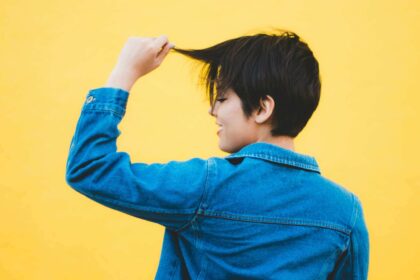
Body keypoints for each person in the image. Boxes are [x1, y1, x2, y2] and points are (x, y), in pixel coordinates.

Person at [65, 30, 369, 279]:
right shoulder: (345, 212)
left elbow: (90, 167)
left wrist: (125, 73)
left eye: (222, 97)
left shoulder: (206, 186)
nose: (213, 109)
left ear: (263, 108)